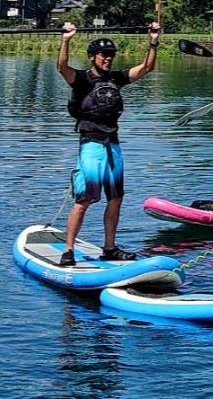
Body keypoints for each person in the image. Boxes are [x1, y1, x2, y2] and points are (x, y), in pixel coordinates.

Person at [56, 20, 161, 266]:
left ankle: (110, 248)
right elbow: (61, 67)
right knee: (85, 200)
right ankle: (68, 250)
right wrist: (66, 39)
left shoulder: (116, 78)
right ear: (92, 57)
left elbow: (147, 67)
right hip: (91, 145)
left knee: (115, 198)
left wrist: (153, 41)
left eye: (111, 55)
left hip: (112, 144)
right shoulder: (81, 79)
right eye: (104, 55)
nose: (108, 58)